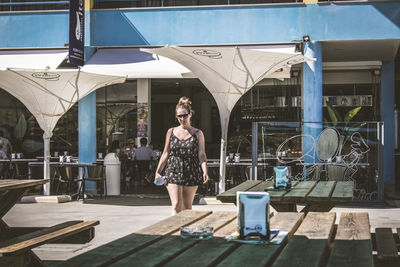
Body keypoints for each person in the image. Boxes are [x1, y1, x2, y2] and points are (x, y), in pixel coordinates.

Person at [155, 96, 209, 215]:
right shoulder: (171, 131)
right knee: (176, 205)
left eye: (185, 115)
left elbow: (201, 154)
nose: (182, 118)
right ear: (176, 117)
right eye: (179, 116)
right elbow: (166, 153)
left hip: (191, 170)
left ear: (190, 114)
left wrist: (205, 171)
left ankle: (185, 231)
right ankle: (176, 232)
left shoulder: (198, 133)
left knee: (187, 207)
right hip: (173, 169)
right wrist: (158, 171)